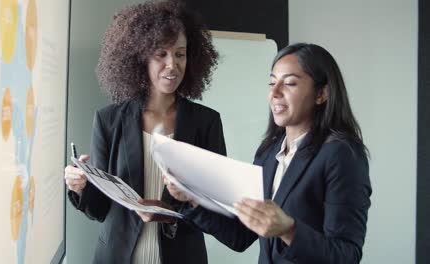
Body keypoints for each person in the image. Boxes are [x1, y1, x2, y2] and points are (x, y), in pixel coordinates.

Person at [166, 43, 372, 263]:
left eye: (290, 83)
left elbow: (346, 255)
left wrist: (290, 230)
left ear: (321, 94)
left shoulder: (342, 154)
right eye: (272, 83)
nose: (274, 93)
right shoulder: (269, 152)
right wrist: (193, 198)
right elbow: (241, 236)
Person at [63, 1, 225, 263]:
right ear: (141, 57)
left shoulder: (206, 122)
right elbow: (100, 209)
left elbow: (215, 210)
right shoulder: (108, 120)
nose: (172, 65)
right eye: (161, 54)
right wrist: (80, 187)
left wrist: (181, 204)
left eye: (180, 54)